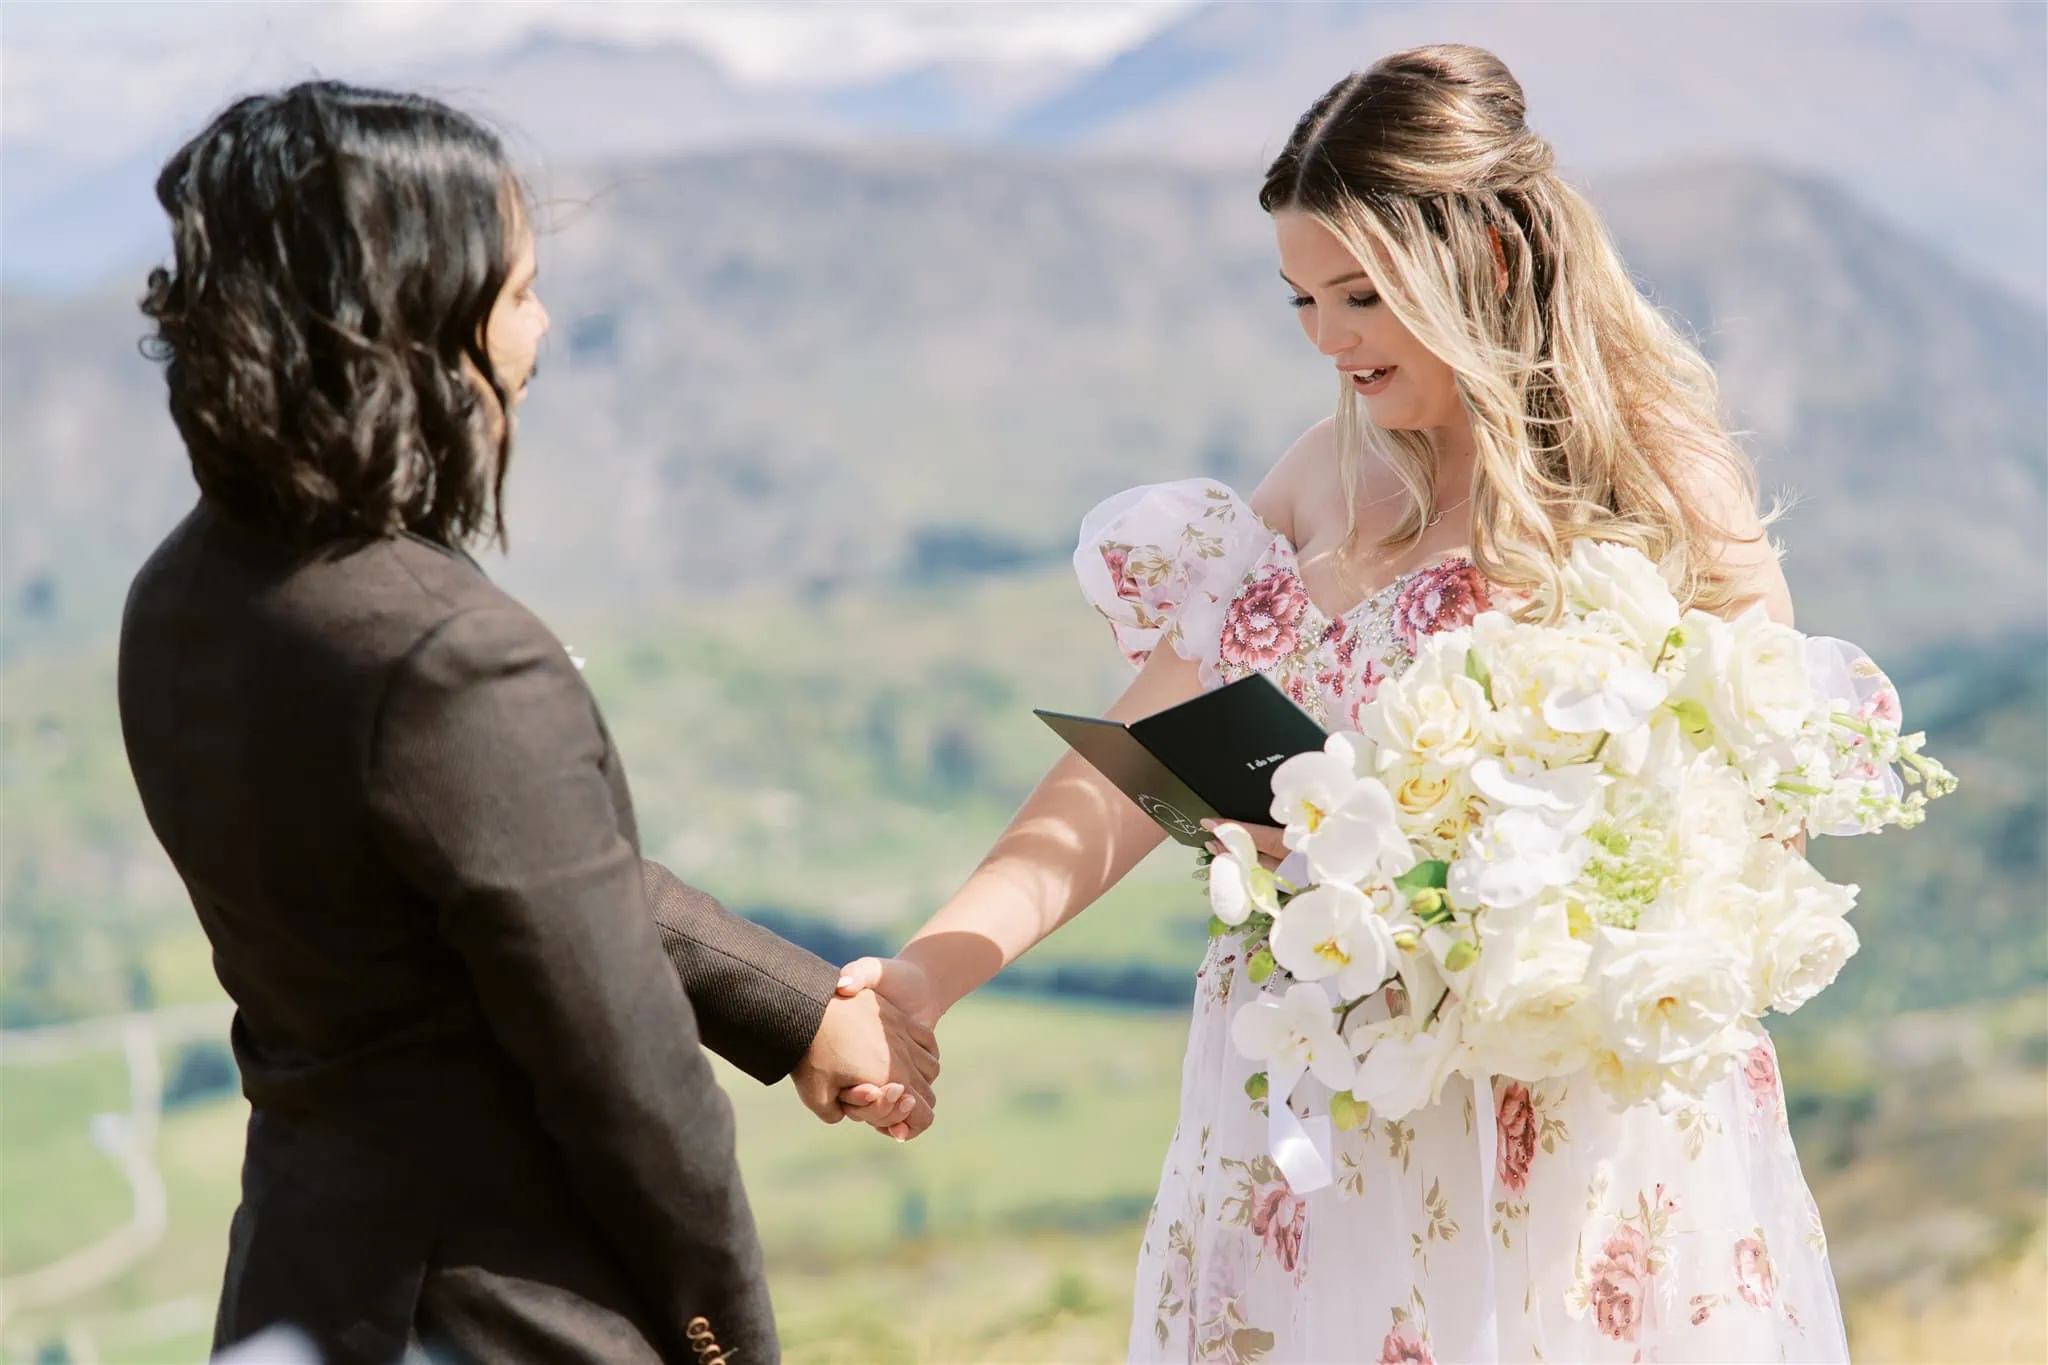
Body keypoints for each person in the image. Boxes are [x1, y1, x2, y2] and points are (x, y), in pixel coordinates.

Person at [839, 45, 1861, 1362]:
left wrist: (1473, 883)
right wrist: (929, 974)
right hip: (1311, 1109)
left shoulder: (1656, 486)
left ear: (1487, 258)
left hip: (1556, 1129)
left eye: (1362, 293)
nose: (1328, 338)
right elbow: (1129, 769)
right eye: (1301, 300)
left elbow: (1754, 826)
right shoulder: (1313, 481)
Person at [118, 81, 933, 1365]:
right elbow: (636, 1090)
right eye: (517, 290)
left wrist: (788, 1009)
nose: (539, 330)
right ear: (413, 319)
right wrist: (729, 1347)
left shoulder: (183, 594)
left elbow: (522, 878)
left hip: (299, 1284)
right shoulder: (446, 652)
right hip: (507, 1317)